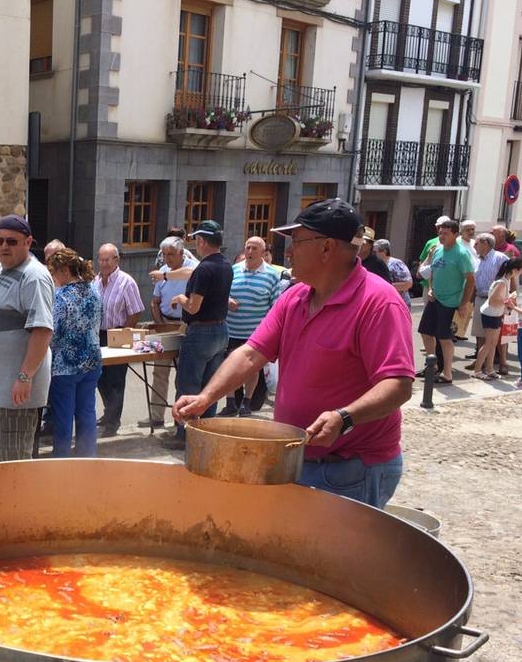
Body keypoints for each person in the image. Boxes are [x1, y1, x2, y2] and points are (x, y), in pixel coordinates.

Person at [173, 199, 414, 509]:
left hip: (352, 469)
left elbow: (397, 384)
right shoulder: (295, 297)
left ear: (327, 248)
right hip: (297, 459)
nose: (288, 251)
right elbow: (251, 354)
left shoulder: (379, 303)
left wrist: (345, 418)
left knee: (332, 557)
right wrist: (205, 398)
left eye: (297, 242)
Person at [0, 214, 53, 461]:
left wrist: (24, 377)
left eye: (12, 241)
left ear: (28, 242)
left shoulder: (33, 276)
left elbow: (42, 330)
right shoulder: (4, 271)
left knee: (13, 466)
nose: (4, 246)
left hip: (13, 395)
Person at [159, 220, 232, 447]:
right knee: (210, 387)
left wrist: (180, 298)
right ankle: (205, 434)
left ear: (201, 241)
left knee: (189, 386)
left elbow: (193, 307)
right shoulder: (226, 265)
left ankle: (184, 436)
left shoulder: (205, 268)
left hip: (201, 331)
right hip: (221, 329)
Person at [45, 247, 102, 457]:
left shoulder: (60, 296)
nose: (53, 277)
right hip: (92, 359)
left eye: (54, 272)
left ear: (65, 270)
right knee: (87, 414)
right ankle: (88, 459)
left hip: (65, 365)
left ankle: (61, 462)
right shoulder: (94, 290)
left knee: (63, 418)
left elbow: (53, 332)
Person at [220, 235, 279, 416]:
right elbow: (221, 294)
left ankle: (247, 402)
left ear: (263, 252)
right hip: (231, 331)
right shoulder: (233, 270)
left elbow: (276, 307)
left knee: (252, 370)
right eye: (248, 248)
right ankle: (230, 403)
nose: (250, 252)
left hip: (255, 334)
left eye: (254, 248)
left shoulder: (271, 275)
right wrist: (227, 300)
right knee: (228, 367)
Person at [142, 236, 193, 428]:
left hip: (184, 325)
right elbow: (155, 300)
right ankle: (156, 415)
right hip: (164, 323)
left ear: (181, 253)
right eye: (164, 254)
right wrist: (158, 321)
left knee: (183, 374)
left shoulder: (192, 268)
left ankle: (180, 418)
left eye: (171, 254)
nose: (167, 258)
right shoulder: (162, 271)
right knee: (159, 372)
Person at [92, 243, 142, 436]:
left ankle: (113, 422)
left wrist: (124, 333)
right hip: (98, 334)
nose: (103, 264)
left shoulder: (126, 282)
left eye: (107, 260)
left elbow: (136, 310)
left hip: (118, 332)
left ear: (116, 260)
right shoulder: (95, 281)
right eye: (101, 259)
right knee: (100, 378)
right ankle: (108, 412)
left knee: (115, 379)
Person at [417, 219, 474, 383]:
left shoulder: (461, 254)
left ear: (455, 235)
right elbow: (434, 271)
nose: (442, 236)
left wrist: (463, 304)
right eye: (440, 233)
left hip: (450, 302)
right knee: (425, 332)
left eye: (446, 233)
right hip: (435, 299)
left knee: (444, 337)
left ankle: (447, 372)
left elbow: (470, 280)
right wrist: (430, 288)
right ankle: (431, 365)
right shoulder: (437, 250)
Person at [470, 258, 517, 380]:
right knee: (488, 343)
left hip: (496, 313)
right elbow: (493, 300)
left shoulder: (506, 279)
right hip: (490, 313)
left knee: (493, 343)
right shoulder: (502, 282)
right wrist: (508, 300)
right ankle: (478, 370)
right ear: (513, 270)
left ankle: (489, 369)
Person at [467, 233, 509, 369]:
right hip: (481, 298)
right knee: (480, 333)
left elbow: (510, 278)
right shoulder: (477, 260)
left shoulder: (500, 258)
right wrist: (470, 300)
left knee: (498, 333)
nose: (474, 245)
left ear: (485, 243)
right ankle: (481, 360)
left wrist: (509, 300)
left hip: (497, 301)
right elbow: (474, 281)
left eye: (477, 243)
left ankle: (503, 362)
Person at [373, 239, 413, 306]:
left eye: (375, 252)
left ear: (384, 252)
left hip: (399, 303)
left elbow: (408, 284)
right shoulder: (374, 265)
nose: (373, 255)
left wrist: (386, 287)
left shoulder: (396, 263)